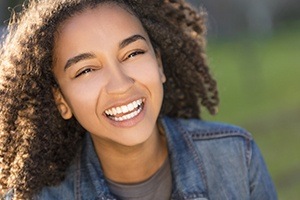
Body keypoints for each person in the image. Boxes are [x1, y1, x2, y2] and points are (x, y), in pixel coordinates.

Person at [0, 0, 277, 199]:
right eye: (86, 70)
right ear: (61, 100)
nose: (120, 85)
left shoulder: (237, 156)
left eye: (132, 54)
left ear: (158, 64)